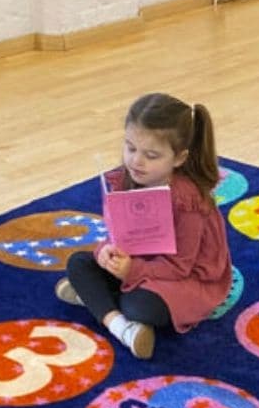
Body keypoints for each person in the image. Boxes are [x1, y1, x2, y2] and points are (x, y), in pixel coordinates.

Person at [56, 92, 232, 359]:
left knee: (140, 305)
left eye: (151, 155)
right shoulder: (128, 179)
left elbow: (181, 267)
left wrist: (131, 270)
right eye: (130, 148)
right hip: (140, 266)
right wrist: (106, 251)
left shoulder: (188, 201)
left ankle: (98, 302)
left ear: (179, 158)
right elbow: (118, 235)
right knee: (79, 263)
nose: (136, 161)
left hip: (186, 278)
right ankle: (122, 327)